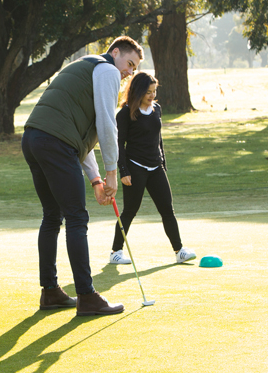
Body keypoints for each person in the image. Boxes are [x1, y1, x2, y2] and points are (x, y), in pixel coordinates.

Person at [22, 36, 143, 316]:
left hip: (34, 139)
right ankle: (87, 297)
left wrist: (96, 179)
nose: (129, 72)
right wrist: (112, 172)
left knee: (53, 216)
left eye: (134, 68)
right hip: (54, 142)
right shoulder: (107, 69)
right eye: (129, 64)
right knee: (76, 217)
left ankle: (50, 292)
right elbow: (106, 122)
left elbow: (79, 135)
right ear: (115, 53)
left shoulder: (86, 66)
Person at [111, 71, 196, 265]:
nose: (152, 96)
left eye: (154, 91)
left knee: (167, 209)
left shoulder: (156, 109)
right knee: (130, 211)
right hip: (135, 168)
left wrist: (163, 162)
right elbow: (119, 144)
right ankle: (116, 251)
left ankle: (179, 251)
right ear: (138, 91)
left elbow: (159, 139)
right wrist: (123, 171)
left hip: (155, 167)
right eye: (148, 92)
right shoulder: (125, 114)